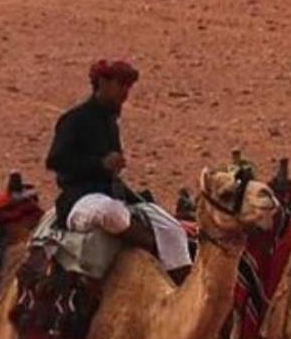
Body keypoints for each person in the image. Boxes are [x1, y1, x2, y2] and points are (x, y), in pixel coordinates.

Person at [46, 59, 191, 277]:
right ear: (102, 83)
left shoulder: (110, 123)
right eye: (121, 85)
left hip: (111, 195)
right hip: (80, 200)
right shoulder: (74, 120)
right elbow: (56, 161)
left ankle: (180, 285)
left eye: (128, 87)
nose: (125, 92)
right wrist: (100, 164)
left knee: (171, 227)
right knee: (112, 214)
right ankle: (149, 250)